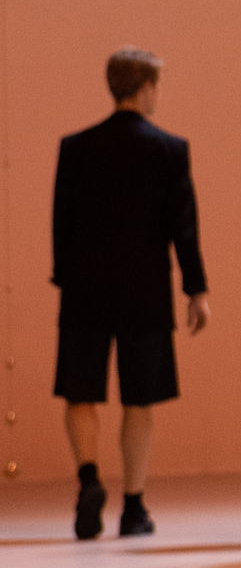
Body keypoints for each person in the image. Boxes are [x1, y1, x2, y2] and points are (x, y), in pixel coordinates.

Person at [50, 47, 208, 540]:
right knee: (140, 401)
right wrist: (196, 288)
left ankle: (89, 479)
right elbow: (183, 227)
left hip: (85, 288)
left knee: (81, 393)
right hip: (145, 288)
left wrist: (65, 276)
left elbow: (62, 223)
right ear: (145, 88)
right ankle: (134, 506)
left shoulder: (76, 147)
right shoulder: (168, 148)